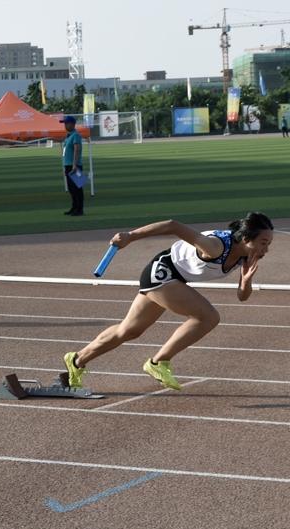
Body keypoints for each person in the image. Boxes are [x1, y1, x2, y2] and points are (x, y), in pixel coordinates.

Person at [63, 212, 274, 391]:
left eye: (269, 244)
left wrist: (246, 279)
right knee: (208, 317)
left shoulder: (246, 256)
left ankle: (77, 360)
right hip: (163, 272)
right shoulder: (215, 247)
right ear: (245, 239)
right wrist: (131, 236)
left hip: (174, 279)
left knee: (129, 331)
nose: (265, 250)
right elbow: (174, 226)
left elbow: (242, 297)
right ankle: (159, 362)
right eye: (263, 243)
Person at [61, 115, 84, 216]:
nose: (65, 125)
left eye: (67, 123)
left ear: (72, 124)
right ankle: (74, 207)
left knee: (77, 188)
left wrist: (74, 164)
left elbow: (77, 150)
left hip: (74, 165)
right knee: (71, 189)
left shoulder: (76, 135)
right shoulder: (69, 136)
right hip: (68, 165)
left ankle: (79, 209)